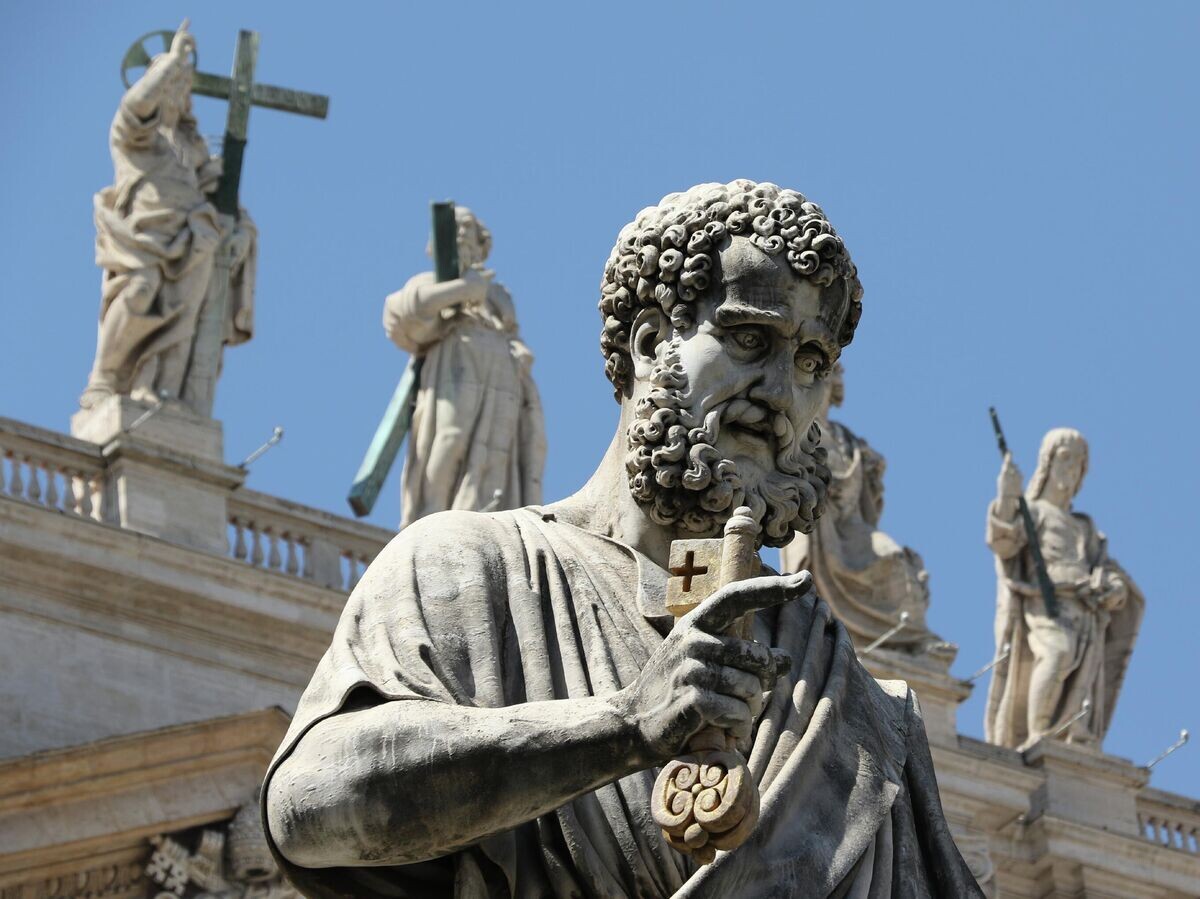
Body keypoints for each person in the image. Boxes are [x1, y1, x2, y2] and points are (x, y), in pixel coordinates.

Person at [265, 181, 982, 897]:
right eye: (750, 340)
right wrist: (624, 724)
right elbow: (309, 807)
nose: (781, 394)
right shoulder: (471, 567)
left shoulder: (860, 716)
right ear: (648, 342)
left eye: (812, 364)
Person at [80, 22, 255, 412]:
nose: (177, 94)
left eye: (182, 88)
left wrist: (242, 232)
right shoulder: (134, 137)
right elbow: (134, 108)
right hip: (144, 236)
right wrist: (169, 64)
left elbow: (227, 201)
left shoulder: (193, 154)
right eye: (170, 86)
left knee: (184, 315)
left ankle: (160, 391)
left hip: (194, 238)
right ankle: (105, 380)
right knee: (141, 290)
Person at [383, 207, 545, 528]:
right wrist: (463, 290)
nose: (460, 235)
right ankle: (429, 518)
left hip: (502, 372)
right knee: (450, 437)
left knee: (497, 451)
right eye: (454, 229)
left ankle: (488, 520)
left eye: (467, 229)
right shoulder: (430, 284)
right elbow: (401, 312)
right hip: (457, 363)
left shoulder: (498, 295)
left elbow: (511, 330)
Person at [984, 428, 1143, 750]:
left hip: (1085, 609)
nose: (1070, 470)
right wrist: (1006, 497)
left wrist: (1112, 586)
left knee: (1079, 679)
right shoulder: (1033, 512)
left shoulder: (1085, 526)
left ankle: (1066, 737)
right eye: (1064, 459)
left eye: (1078, 464)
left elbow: (1107, 568)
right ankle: (1038, 734)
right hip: (1044, 604)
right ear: (1047, 463)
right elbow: (1004, 543)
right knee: (1057, 654)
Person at [781, 363, 943, 653]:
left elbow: (868, 497)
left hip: (852, 526)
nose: (822, 389)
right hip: (818, 522)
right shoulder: (797, 430)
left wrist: (870, 470)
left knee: (895, 558)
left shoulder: (846, 439)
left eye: (828, 381)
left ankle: (912, 641)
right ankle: (819, 625)